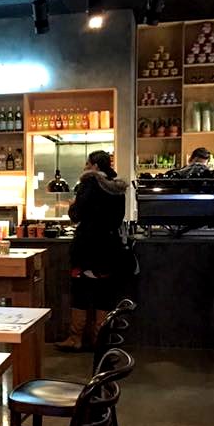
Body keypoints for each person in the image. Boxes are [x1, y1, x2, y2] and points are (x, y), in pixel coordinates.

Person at [56, 150, 127, 353]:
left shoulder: (89, 184)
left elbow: (76, 215)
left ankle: (75, 338)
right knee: (105, 294)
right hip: (108, 248)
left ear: (95, 166)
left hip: (86, 248)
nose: (85, 167)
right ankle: (100, 340)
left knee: (80, 291)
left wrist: (72, 206)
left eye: (87, 163)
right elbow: (118, 218)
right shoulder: (118, 188)